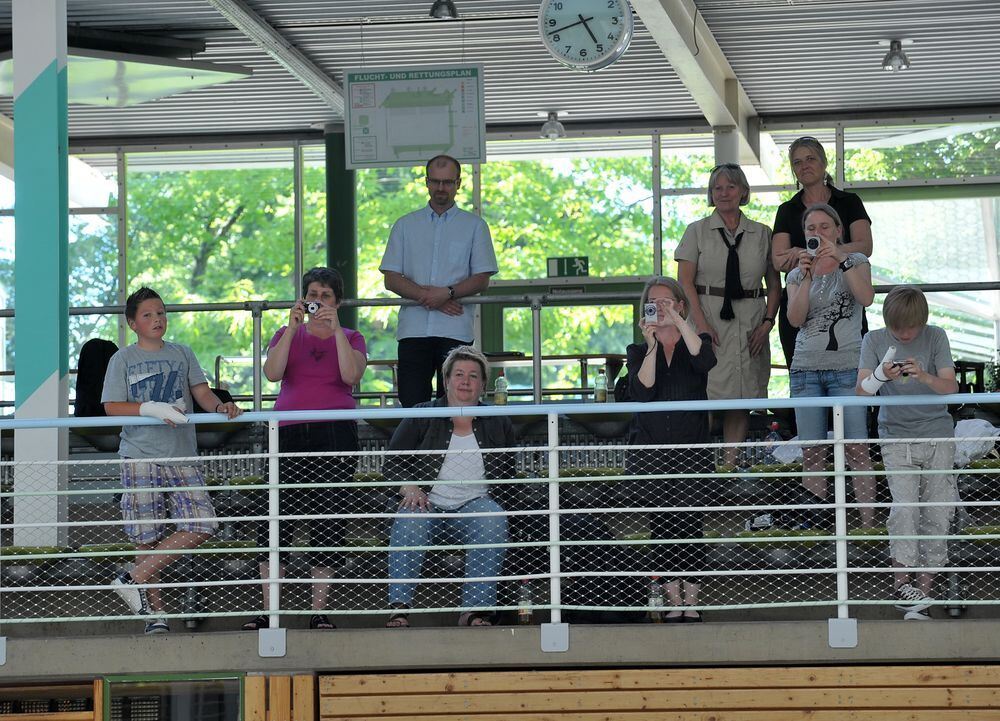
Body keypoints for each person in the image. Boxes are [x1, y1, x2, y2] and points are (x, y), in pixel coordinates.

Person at [103, 287, 243, 635]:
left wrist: (220, 406)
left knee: (202, 522)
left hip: (181, 453)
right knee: (145, 535)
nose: (157, 320)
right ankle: (155, 615)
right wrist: (150, 409)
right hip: (138, 453)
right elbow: (111, 406)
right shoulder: (122, 358)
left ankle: (131, 577)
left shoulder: (183, 352)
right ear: (133, 323)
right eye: (148, 315)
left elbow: (201, 392)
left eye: (161, 313)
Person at [241, 267, 367, 632]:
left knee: (328, 518)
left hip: (335, 433)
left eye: (326, 296)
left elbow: (351, 376)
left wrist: (337, 330)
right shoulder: (286, 333)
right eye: (313, 295)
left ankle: (318, 610)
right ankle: (270, 611)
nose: (318, 302)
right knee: (275, 519)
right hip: (288, 432)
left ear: (337, 301)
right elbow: (272, 373)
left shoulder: (353, 336)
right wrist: (294, 327)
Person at [383, 345, 515, 627]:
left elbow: (508, 475)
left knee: (491, 518)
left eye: (473, 376)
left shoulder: (498, 420)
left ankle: (475, 611)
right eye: (458, 374)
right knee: (410, 518)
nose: (465, 381)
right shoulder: (422, 414)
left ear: (483, 385)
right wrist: (409, 487)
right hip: (428, 504)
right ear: (445, 381)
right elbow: (392, 463)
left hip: (475, 506)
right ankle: (399, 608)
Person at [857, 286, 958, 621]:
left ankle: (923, 594)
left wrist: (924, 375)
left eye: (909, 328)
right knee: (904, 510)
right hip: (895, 438)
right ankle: (903, 586)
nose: (902, 334)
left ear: (922, 321)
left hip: (938, 436)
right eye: (896, 328)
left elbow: (950, 387)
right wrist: (880, 375)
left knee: (937, 513)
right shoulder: (873, 341)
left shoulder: (936, 337)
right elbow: (861, 393)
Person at [624, 277, 717, 622]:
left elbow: (705, 362)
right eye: (654, 302)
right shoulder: (637, 351)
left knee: (690, 522)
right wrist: (651, 345)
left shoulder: (697, 341)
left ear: (680, 304)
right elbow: (642, 391)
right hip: (651, 452)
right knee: (662, 525)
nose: (660, 307)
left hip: (690, 447)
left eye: (667, 301)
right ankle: (671, 598)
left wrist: (679, 324)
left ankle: (691, 601)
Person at [676, 163, 780, 467]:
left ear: (743, 192)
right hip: (706, 316)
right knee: (705, 394)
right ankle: (699, 467)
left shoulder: (762, 233)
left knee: (741, 395)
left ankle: (729, 466)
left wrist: (767, 323)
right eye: (717, 188)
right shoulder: (696, 231)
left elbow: (774, 285)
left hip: (750, 319)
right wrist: (703, 326)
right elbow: (684, 283)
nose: (724, 193)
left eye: (730, 186)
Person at [380, 155, 499, 408]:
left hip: (455, 330)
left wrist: (446, 292)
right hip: (413, 330)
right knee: (412, 402)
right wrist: (436, 298)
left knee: (457, 402)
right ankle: (419, 450)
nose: (441, 188)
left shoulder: (475, 226)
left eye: (447, 182)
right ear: (426, 182)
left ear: (458, 183)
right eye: (435, 181)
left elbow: (481, 279)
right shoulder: (405, 225)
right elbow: (391, 279)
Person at [785, 203, 876, 529]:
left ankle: (868, 528)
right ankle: (817, 527)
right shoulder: (797, 272)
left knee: (856, 449)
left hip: (847, 368)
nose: (818, 233)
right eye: (811, 228)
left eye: (825, 227)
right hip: (806, 370)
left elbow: (866, 298)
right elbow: (795, 319)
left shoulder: (856, 261)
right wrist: (807, 276)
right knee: (813, 454)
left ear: (838, 230)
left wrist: (839, 257)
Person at [772, 136, 874, 369]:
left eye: (810, 159)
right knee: (803, 381)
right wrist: (806, 253)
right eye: (797, 162)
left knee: (851, 379)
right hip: (800, 307)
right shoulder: (787, 210)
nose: (804, 166)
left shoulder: (849, 202)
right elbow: (778, 259)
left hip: (846, 307)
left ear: (824, 162)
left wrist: (828, 252)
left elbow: (865, 246)